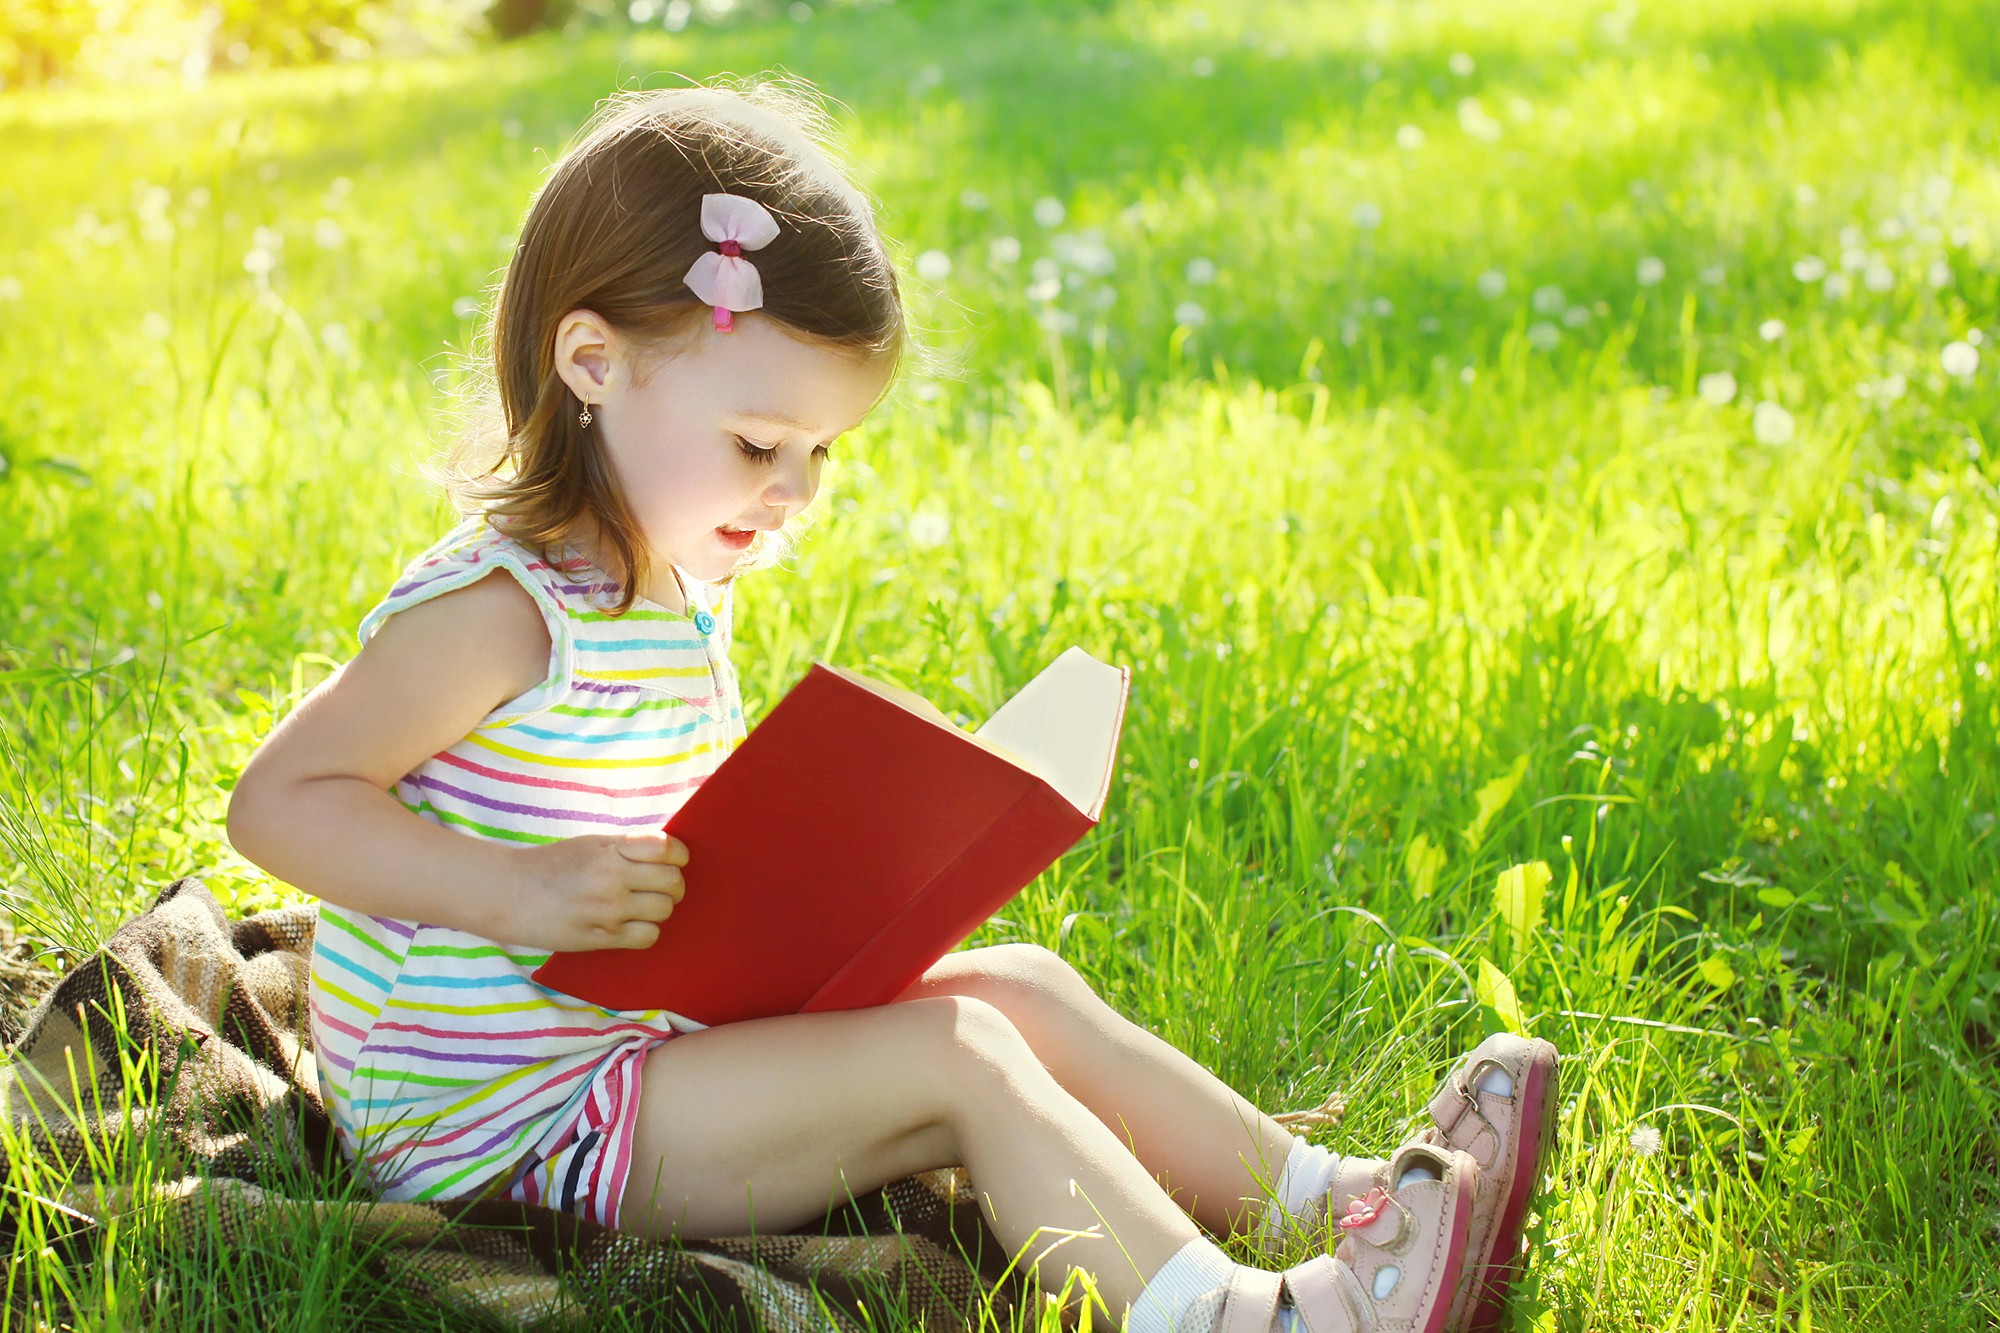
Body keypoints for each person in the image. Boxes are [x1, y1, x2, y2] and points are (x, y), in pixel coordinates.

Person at [225, 80, 1560, 1333]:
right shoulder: (500, 609)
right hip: (500, 1122)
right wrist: (509, 894)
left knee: (1016, 988)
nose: (795, 489)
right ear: (592, 361)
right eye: (761, 444)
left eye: (820, 452)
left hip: (621, 1043)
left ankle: (1334, 1199)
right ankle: (1254, 1315)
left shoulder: (673, 575)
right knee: (957, 1056)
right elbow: (281, 800)